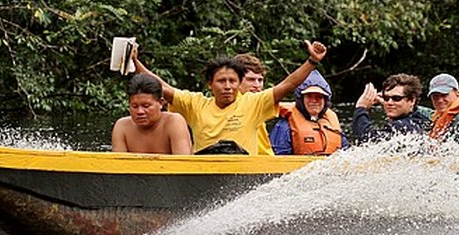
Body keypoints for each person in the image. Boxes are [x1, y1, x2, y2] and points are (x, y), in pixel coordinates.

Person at [132, 40, 328, 154]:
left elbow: (288, 84)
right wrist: (134, 62)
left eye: (232, 81)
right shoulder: (195, 103)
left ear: (239, 83)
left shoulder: (254, 102)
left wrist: (312, 61)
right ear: (210, 84)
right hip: (205, 173)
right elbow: (161, 87)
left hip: (242, 174)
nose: (227, 87)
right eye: (221, 81)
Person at [270, 70, 348, 155]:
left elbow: (346, 154)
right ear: (301, 99)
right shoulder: (284, 126)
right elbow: (278, 159)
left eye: (319, 97)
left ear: (325, 100)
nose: (314, 100)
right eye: (309, 96)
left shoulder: (332, 123)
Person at [111, 73, 193, 154]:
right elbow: (118, 165)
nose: (140, 112)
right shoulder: (122, 126)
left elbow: (183, 163)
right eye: (135, 106)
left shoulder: (174, 122)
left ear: (160, 103)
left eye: (146, 106)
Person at [352, 73, 430, 143]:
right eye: (386, 98)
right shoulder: (421, 120)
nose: (389, 102)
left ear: (412, 100)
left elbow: (366, 140)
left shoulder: (401, 126)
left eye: (396, 98)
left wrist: (361, 107)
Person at [234, 53, 275, 155]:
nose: (257, 85)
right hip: (249, 165)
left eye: (260, 80)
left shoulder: (258, 103)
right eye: (251, 80)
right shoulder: (234, 103)